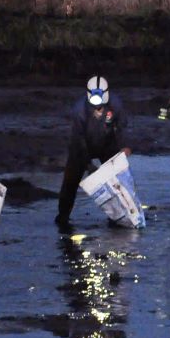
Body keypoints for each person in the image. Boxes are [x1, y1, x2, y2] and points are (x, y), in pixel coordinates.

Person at [55, 75, 130, 230]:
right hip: (82, 147)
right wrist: (89, 166)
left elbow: (121, 128)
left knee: (117, 182)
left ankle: (119, 216)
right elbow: (78, 140)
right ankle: (63, 218)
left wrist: (124, 146)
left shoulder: (115, 105)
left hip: (107, 144)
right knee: (70, 183)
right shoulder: (79, 111)